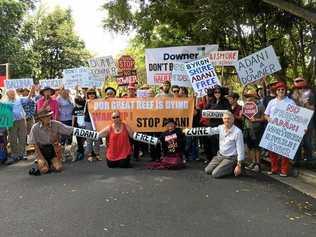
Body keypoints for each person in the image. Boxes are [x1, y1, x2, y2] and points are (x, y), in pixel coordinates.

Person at [28, 109, 73, 174]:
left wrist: (87, 132)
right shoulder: (35, 127)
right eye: (46, 117)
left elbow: (69, 129)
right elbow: (34, 144)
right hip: (41, 150)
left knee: (59, 168)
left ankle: (51, 164)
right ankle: (44, 163)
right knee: (44, 170)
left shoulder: (55, 124)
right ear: (41, 119)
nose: (48, 118)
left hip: (52, 149)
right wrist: (42, 158)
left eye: (49, 116)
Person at [264, 81, 295, 177]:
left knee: (285, 151)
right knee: (272, 150)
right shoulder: (271, 102)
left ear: (285, 91)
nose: (281, 91)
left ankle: (284, 170)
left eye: (283, 89)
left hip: (285, 129)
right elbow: (266, 114)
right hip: (273, 129)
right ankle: (274, 169)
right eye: (279, 89)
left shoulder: (290, 102)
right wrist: (269, 119)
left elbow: (296, 117)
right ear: (276, 91)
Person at [204, 111, 244, 178]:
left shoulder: (238, 132)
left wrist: (239, 165)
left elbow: (241, 149)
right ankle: (223, 166)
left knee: (215, 174)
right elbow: (210, 130)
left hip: (230, 158)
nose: (226, 120)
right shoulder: (221, 127)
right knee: (207, 170)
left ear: (233, 119)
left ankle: (233, 166)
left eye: (228, 118)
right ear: (222, 119)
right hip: (220, 155)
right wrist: (189, 131)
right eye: (225, 118)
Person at [290, 77, 316, 166]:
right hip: (296, 120)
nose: (300, 89)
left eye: (302, 87)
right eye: (298, 87)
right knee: (296, 140)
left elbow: (313, 108)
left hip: (308, 120)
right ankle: (296, 160)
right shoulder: (291, 94)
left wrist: (306, 104)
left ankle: (310, 160)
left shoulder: (311, 94)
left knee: (307, 141)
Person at [204, 86, 231, 161]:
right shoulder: (211, 101)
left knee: (221, 142)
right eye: (215, 92)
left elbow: (229, 111)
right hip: (212, 124)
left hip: (222, 125)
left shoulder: (225, 101)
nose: (217, 93)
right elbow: (205, 111)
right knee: (212, 142)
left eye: (219, 92)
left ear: (221, 93)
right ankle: (213, 158)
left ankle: (221, 158)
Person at [243, 91, 265, 172]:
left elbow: (264, 118)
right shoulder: (246, 105)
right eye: (247, 96)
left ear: (254, 96)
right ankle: (253, 162)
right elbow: (244, 117)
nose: (248, 98)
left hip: (257, 129)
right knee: (250, 147)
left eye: (250, 96)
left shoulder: (260, 105)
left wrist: (255, 119)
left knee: (257, 147)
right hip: (247, 128)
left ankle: (258, 164)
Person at [5, 89, 28, 164]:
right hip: (11, 122)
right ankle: (15, 154)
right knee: (12, 138)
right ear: (7, 94)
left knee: (22, 137)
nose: (12, 94)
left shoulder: (19, 99)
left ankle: (22, 154)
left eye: (13, 93)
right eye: (10, 93)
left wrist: (32, 89)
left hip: (21, 120)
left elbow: (28, 98)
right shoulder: (5, 102)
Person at [84, 88, 101, 162]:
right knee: (89, 138)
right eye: (90, 94)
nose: (91, 95)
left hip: (97, 122)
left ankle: (97, 154)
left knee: (97, 138)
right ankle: (90, 154)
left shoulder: (98, 101)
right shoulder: (86, 102)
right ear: (87, 95)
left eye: (93, 93)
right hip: (89, 121)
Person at [72, 96, 86, 161]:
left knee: (83, 139)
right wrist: (72, 127)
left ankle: (81, 150)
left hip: (85, 126)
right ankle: (81, 151)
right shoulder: (75, 109)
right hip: (78, 126)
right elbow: (73, 118)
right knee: (79, 140)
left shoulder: (85, 108)